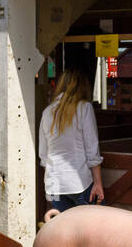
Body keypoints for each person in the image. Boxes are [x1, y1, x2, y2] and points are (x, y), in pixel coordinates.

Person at [38, 68, 103, 213]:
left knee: (64, 231)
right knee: (90, 229)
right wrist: (98, 183)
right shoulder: (84, 108)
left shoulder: (47, 111)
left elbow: (43, 155)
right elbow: (92, 149)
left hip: (53, 186)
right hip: (78, 183)